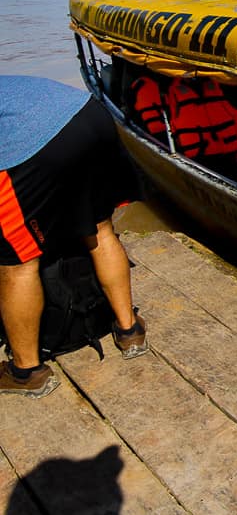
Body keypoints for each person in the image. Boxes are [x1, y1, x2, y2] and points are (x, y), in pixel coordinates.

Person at [0, 75, 147, 399]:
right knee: (100, 228)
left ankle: (26, 372)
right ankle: (129, 331)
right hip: (89, 116)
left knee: (17, 261)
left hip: (34, 140)